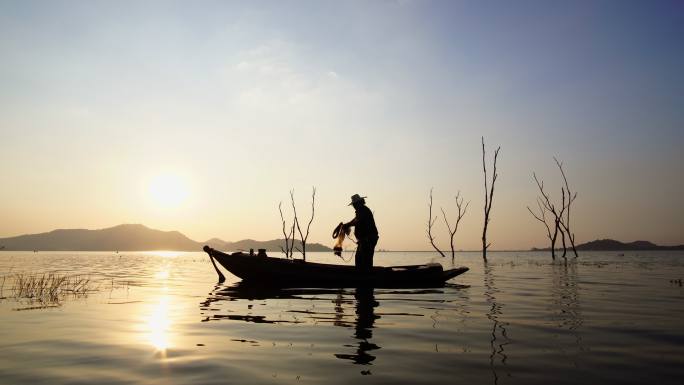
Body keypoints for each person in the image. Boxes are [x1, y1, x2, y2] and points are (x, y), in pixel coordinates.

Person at [343, 194, 379, 271]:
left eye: (355, 204)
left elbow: (357, 220)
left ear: (359, 203)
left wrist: (348, 224)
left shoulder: (363, 210)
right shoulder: (361, 210)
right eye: (354, 205)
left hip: (368, 240)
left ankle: (366, 276)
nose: (354, 206)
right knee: (361, 260)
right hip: (365, 240)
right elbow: (356, 219)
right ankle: (365, 275)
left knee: (364, 260)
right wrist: (347, 224)